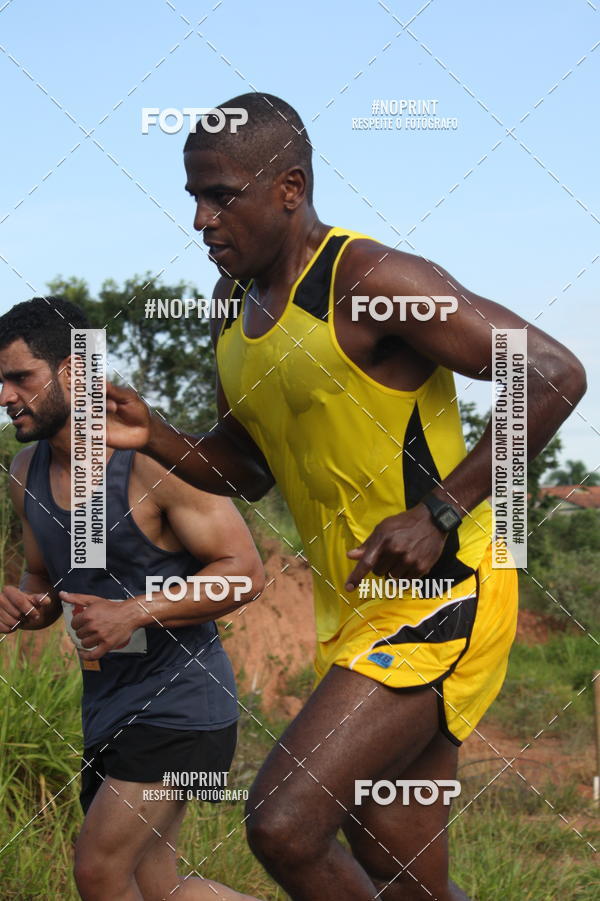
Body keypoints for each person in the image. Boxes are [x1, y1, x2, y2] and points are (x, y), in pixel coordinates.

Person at [104, 93, 587, 901]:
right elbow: (249, 470)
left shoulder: (367, 279)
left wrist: (440, 510)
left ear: (289, 188)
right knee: (395, 871)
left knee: (283, 822)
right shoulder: (231, 311)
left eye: (221, 195)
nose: (200, 219)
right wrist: (155, 433)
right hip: (356, 607)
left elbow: (553, 372)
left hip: (444, 591)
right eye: (192, 196)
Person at [0, 296, 264, 901]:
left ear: (73, 372)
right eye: (1, 380)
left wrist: (136, 611)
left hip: (184, 704)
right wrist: (27, 607)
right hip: (107, 703)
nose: (5, 396)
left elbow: (244, 573)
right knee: (156, 886)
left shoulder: (149, 463)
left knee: (98, 870)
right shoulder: (24, 473)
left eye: (20, 378)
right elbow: (43, 580)